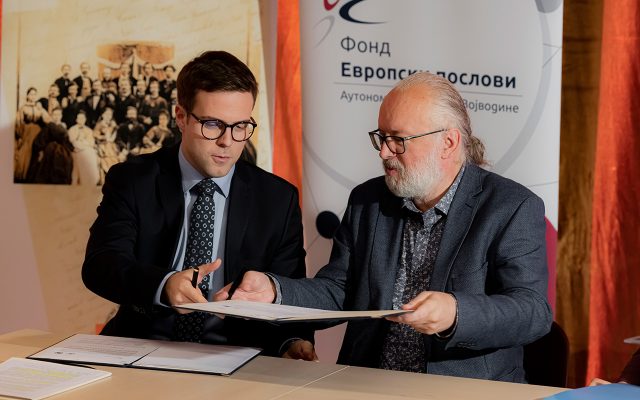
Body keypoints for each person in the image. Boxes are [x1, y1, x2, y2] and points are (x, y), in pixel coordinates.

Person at [218, 72, 552, 381]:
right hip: (369, 384)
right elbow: (338, 290)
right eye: (381, 137)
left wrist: (456, 313)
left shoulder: (511, 207)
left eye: (398, 140)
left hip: (462, 389)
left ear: (448, 143)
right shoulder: (368, 201)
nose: (384, 152)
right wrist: (275, 291)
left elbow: (533, 311)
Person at [81, 50, 314, 359]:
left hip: (239, 356)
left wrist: (291, 342)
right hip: (141, 348)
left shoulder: (277, 199)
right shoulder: (134, 180)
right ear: (181, 117)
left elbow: (290, 292)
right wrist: (164, 284)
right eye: (213, 124)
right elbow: (101, 265)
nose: (227, 141)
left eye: (240, 126)